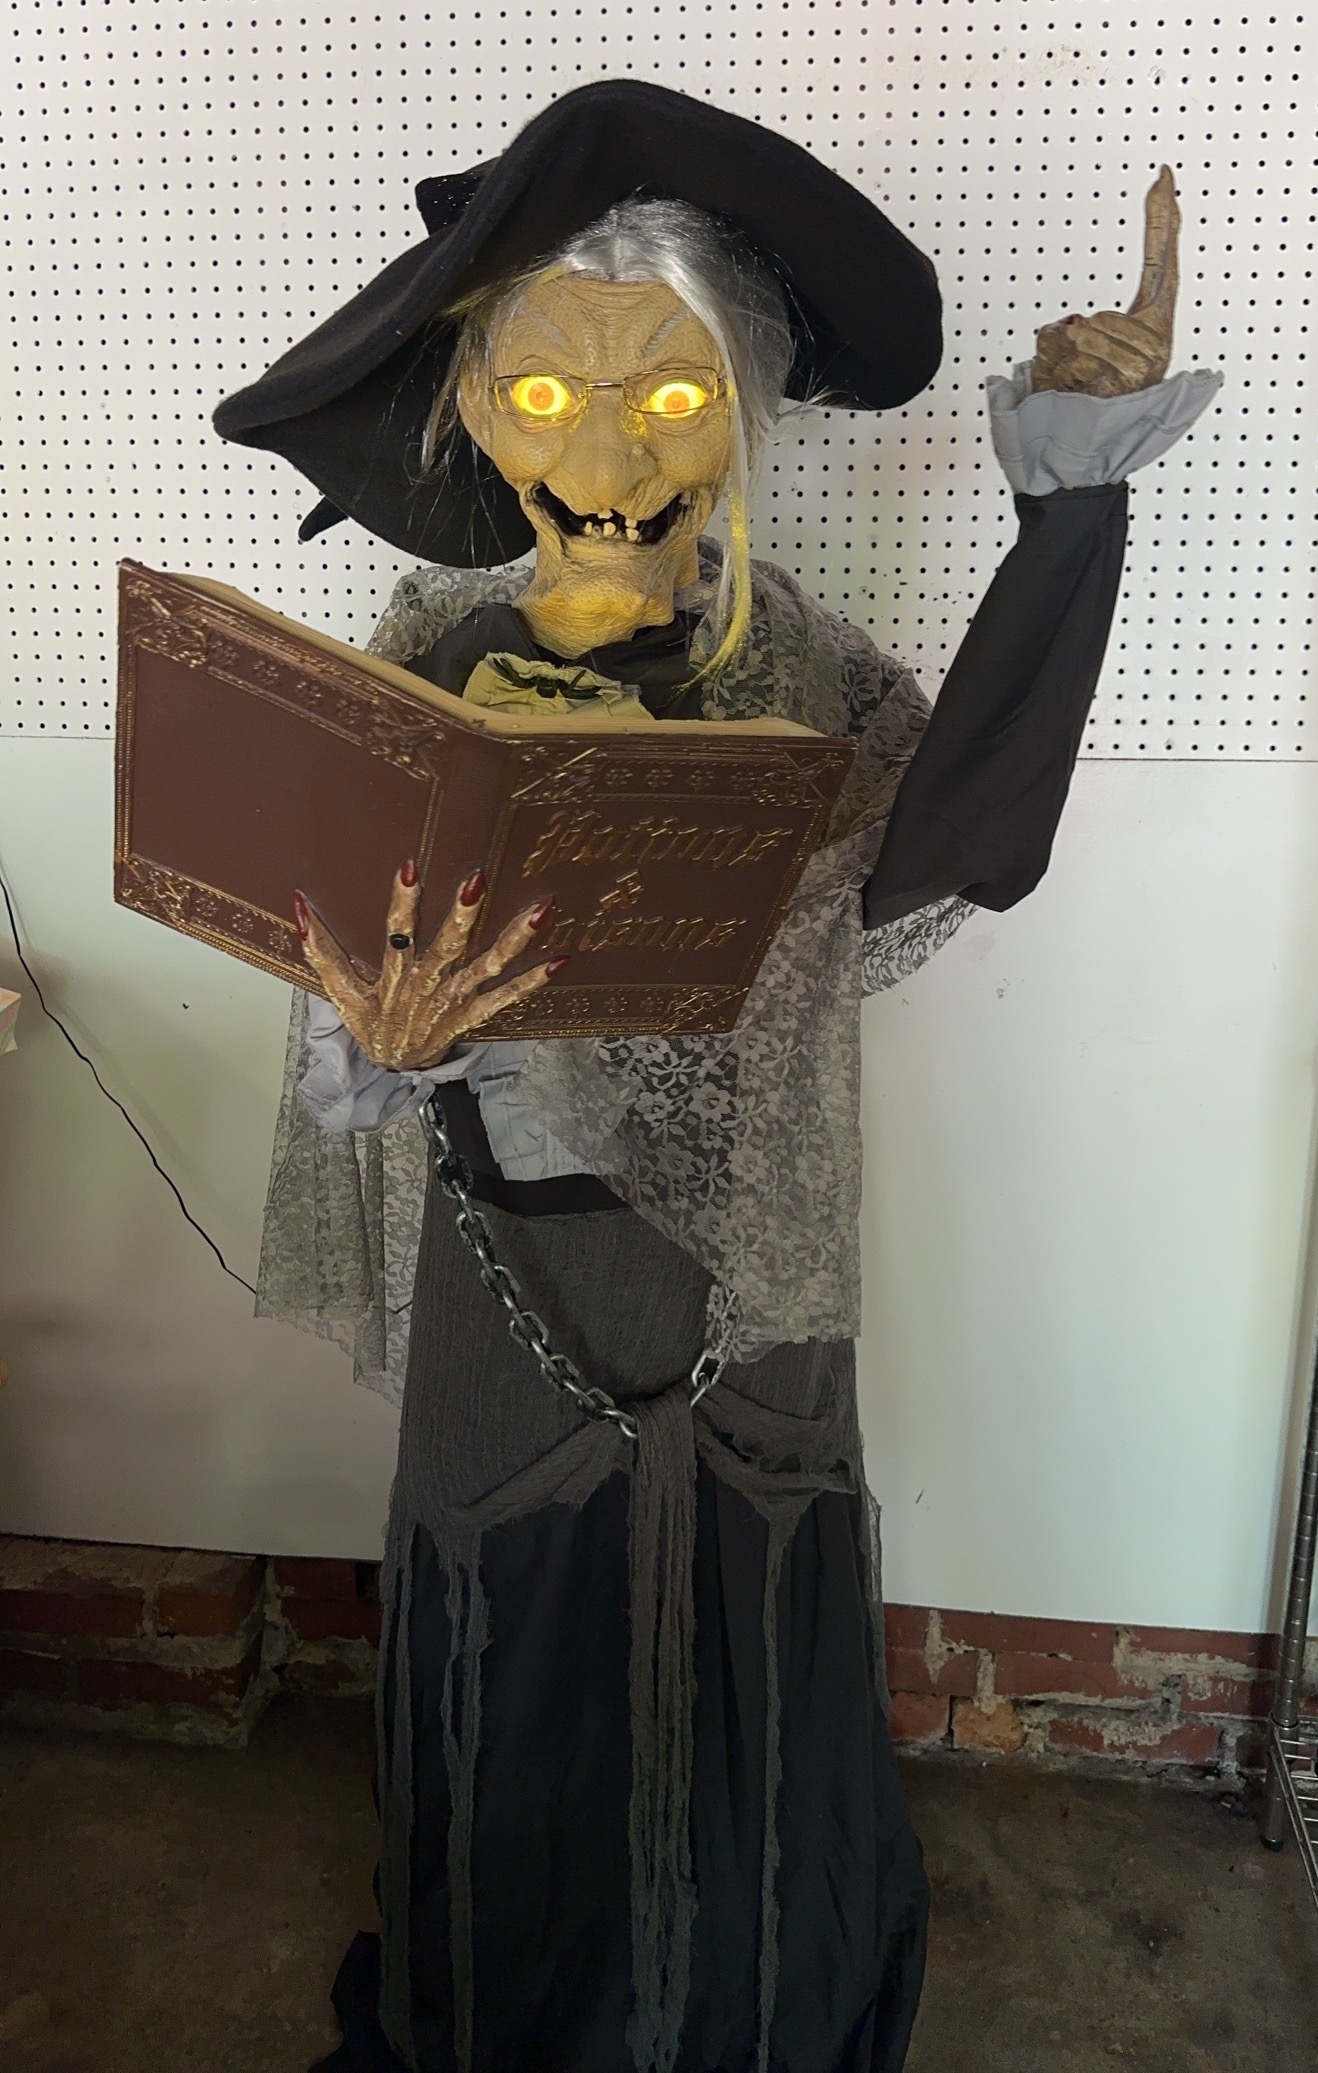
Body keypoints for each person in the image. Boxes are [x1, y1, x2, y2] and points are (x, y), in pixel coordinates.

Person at [214, 81, 1220, 2073]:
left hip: (743, 1282)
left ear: (744, 415)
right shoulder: (419, 655)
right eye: (545, 396)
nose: (604, 459)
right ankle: (512, 2010)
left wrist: (1068, 506)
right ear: (472, 413)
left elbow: (960, 838)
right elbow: (340, 1022)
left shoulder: (814, 680)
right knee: (523, 1644)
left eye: (667, 401)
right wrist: (373, 1035)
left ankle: (740, 2016)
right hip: (503, 1276)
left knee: (741, 1641)